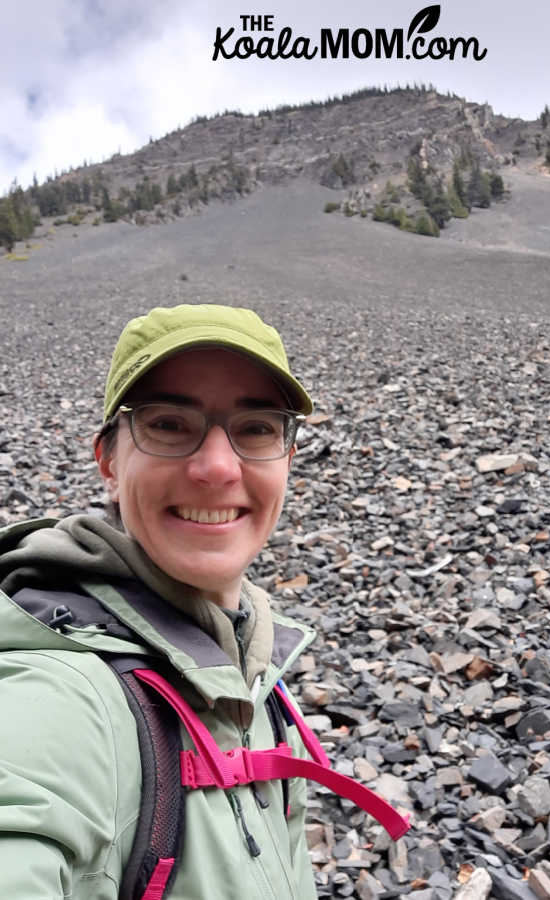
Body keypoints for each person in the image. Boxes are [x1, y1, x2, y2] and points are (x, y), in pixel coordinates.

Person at [0, 304, 320, 899]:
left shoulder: (258, 669)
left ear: (287, 461)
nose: (219, 467)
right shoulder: (62, 697)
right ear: (109, 462)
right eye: (169, 424)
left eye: (256, 429)